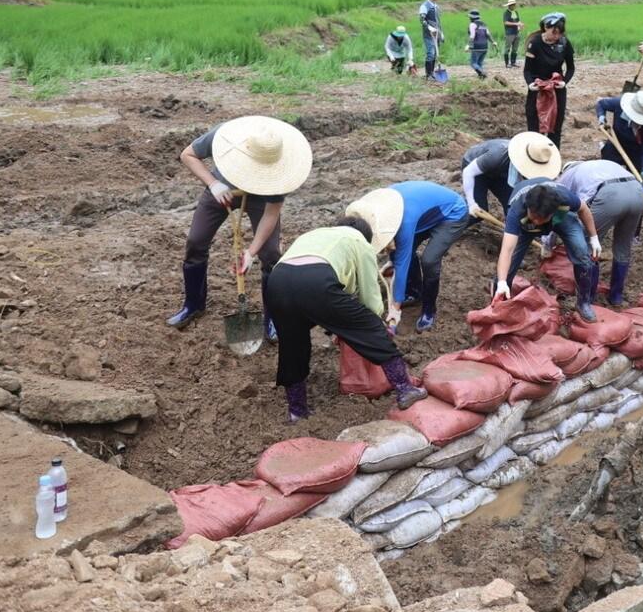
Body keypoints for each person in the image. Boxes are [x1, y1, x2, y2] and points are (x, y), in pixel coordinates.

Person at [265, 215, 428, 421]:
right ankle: (405, 389)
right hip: (316, 281)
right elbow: (370, 296)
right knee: (372, 329)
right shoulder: (359, 242)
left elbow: (324, 301)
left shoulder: (315, 235)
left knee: (292, 348)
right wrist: (376, 323)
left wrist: (337, 324)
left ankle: (297, 411)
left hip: (278, 282)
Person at [168, 116, 312, 333]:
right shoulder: (225, 136)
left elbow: (270, 215)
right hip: (221, 190)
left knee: (271, 254)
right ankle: (193, 305)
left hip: (261, 197)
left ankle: (273, 316)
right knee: (196, 241)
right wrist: (213, 183)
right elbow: (187, 155)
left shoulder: (281, 171)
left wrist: (251, 253)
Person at [346, 182, 472, 334]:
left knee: (429, 260)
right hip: (424, 215)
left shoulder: (404, 220)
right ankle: (415, 292)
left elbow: (401, 264)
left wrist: (395, 309)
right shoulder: (373, 210)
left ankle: (429, 310)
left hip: (452, 213)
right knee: (397, 251)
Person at [493, 173, 601, 321]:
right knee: (509, 264)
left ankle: (583, 303)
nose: (537, 221)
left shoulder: (564, 198)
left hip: (561, 219)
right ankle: (500, 300)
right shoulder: (517, 210)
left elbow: (583, 209)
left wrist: (594, 238)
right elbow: (507, 250)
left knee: (581, 251)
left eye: (541, 218)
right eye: (534, 216)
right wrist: (501, 282)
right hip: (525, 227)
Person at [555, 159, 643, 306]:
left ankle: (588, 299)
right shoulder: (601, 165)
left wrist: (548, 243)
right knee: (623, 247)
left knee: (588, 246)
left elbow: (557, 208)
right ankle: (616, 297)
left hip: (610, 196)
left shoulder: (568, 175)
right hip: (637, 192)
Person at [462, 131, 562, 221]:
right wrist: (471, 203)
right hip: (475, 170)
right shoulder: (498, 155)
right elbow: (468, 172)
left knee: (513, 206)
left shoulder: (538, 158)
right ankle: (451, 221)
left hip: (500, 172)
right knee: (477, 213)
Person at [523, 12, 575, 147]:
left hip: (557, 89)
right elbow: (527, 70)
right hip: (538, 88)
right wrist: (530, 84)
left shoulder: (564, 43)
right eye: (554, 33)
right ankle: (533, 157)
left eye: (560, 34)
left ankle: (553, 161)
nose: (556, 37)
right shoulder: (534, 43)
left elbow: (570, 68)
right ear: (546, 27)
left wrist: (564, 82)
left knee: (555, 128)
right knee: (534, 127)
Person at [597, 90, 643, 177]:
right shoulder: (619, 104)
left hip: (636, 150)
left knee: (635, 180)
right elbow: (601, 104)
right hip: (616, 143)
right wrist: (601, 117)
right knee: (608, 174)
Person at [418, 0, 443, 81]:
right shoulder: (425, 5)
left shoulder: (436, 6)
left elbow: (438, 21)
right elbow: (422, 19)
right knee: (431, 53)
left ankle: (432, 73)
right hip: (429, 34)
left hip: (437, 33)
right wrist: (429, 28)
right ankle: (428, 74)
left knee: (436, 53)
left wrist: (441, 33)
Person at [467, 9, 495, 79]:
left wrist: (469, 46)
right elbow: (488, 34)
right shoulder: (484, 24)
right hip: (485, 46)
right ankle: (482, 78)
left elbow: (472, 36)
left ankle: (482, 73)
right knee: (479, 63)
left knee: (473, 63)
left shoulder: (472, 24)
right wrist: (493, 42)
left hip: (477, 46)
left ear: (471, 17)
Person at [502, 0, 523, 68]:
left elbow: (518, 21)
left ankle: (513, 62)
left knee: (515, 48)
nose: (513, 6)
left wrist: (520, 25)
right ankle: (507, 63)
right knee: (507, 48)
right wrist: (516, 24)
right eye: (512, 5)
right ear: (509, 5)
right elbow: (506, 22)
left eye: (514, 4)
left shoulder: (516, 12)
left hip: (516, 32)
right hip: (509, 33)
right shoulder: (506, 13)